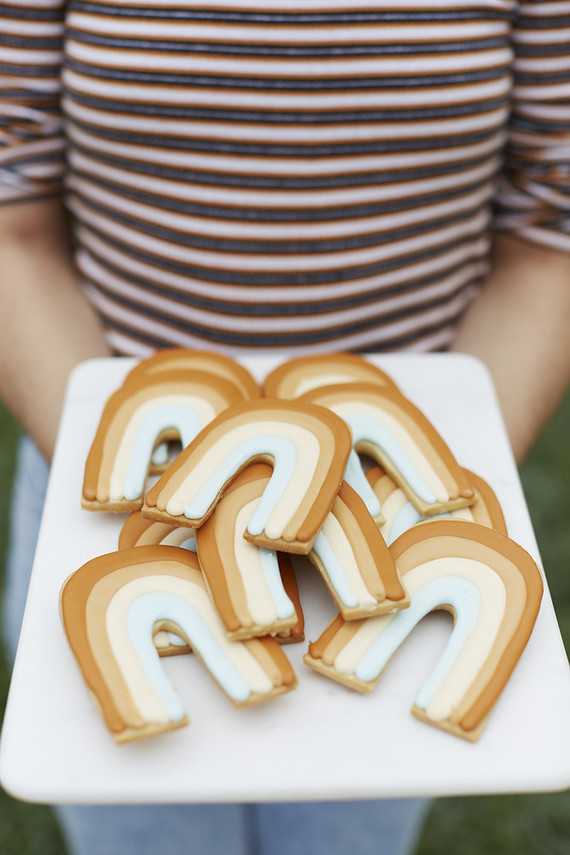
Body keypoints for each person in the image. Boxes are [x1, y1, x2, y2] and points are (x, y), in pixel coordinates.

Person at [1, 1, 569, 854]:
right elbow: (12, 214)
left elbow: (553, 224)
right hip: (112, 501)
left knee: (346, 836)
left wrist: (410, 502)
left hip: (404, 514)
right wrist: (168, 524)